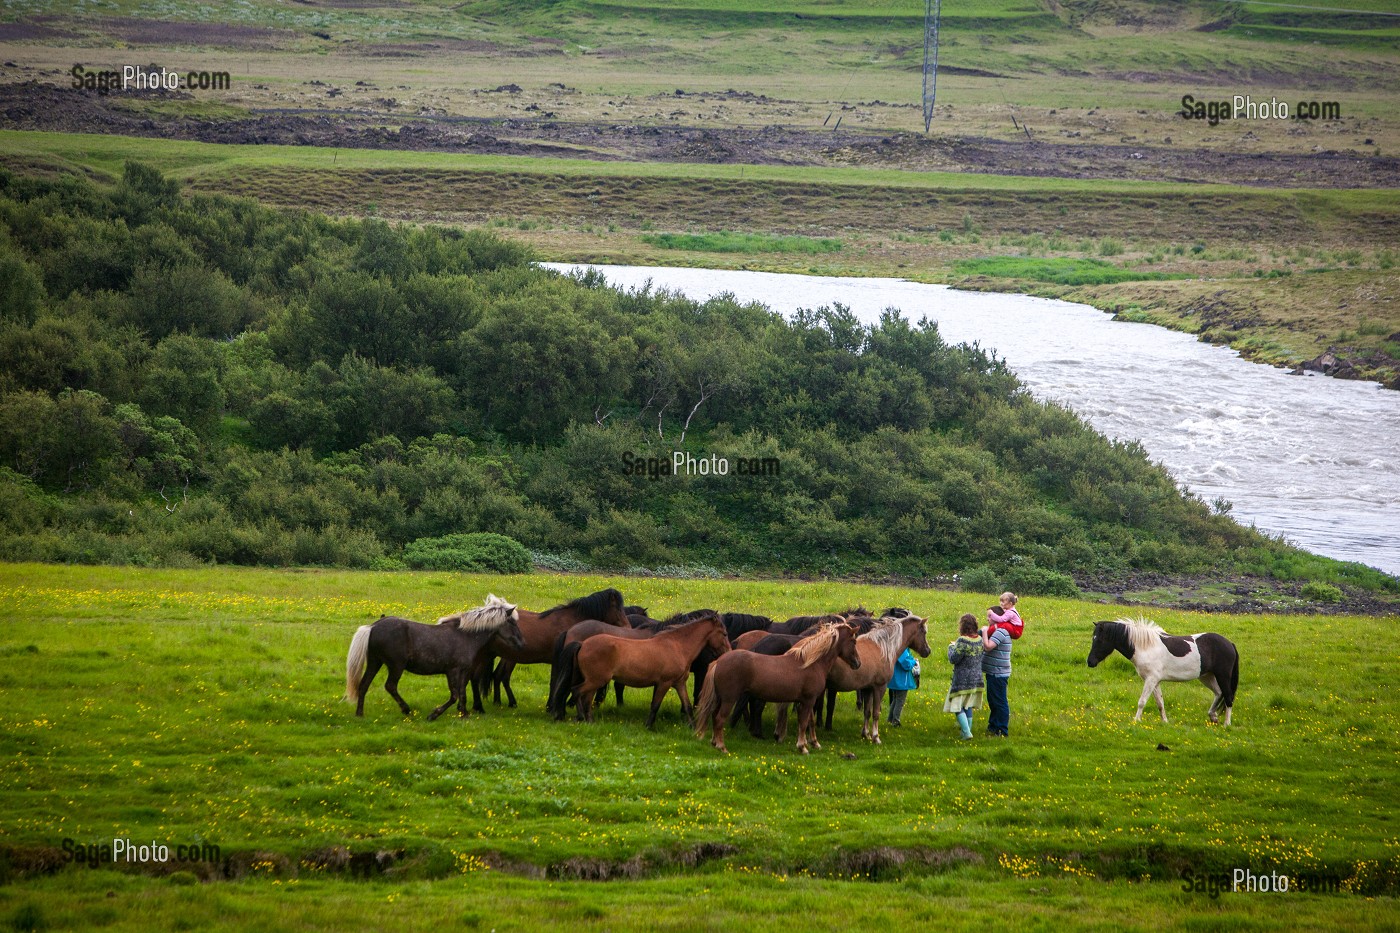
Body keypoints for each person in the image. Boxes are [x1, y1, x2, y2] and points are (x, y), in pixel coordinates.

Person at [943, 614, 984, 740]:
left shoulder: (962, 641)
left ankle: (966, 732)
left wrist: (951, 647)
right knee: (968, 705)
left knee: (957, 706)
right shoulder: (980, 640)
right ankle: (966, 731)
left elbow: (953, 658)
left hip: (962, 679)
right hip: (976, 678)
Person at [980, 606, 1014, 737]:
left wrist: (984, 632)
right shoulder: (995, 631)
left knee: (999, 702)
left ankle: (1002, 729)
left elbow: (988, 646)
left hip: (998, 673)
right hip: (993, 672)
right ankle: (993, 726)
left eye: (990, 616)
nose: (988, 619)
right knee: (993, 700)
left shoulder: (1001, 631)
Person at [886, 648, 919, 726]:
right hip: (901, 680)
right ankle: (896, 721)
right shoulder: (902, 649)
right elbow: (906, 664)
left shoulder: (895, 647)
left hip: (894, 680)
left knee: (895, 699)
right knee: (900, 701)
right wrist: (914, 662)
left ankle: (890, 719)